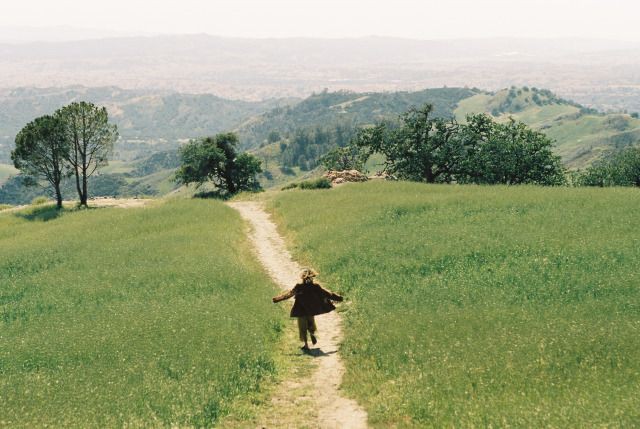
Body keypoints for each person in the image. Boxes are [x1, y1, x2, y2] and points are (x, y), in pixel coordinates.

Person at [272, 268, 343, 351]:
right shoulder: (316, 286)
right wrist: (339, 298)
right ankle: (312, 333)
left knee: (302, 327)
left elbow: (289, 294)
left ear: (302, 278)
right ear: (312, 277)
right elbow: (327, 294)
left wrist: (278, 299)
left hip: (300, 309)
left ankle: (306, 344)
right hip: (311, 309)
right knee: (311, 323)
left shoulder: (299, 286)